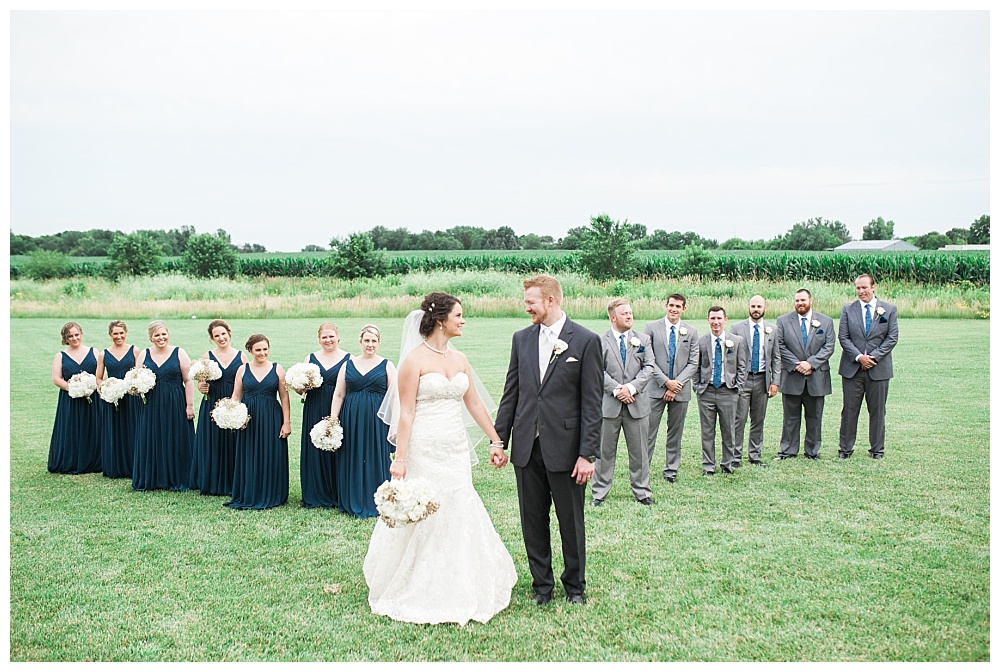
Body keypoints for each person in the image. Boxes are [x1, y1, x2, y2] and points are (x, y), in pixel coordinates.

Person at [364, 294, 517, 625]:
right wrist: (400, 459)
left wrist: (495, 438)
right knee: (429, 510)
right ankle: (419, 583)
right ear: (440, 320)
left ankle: (464, 577)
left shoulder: (460, 359)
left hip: (456, 449)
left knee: (460, 504)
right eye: (459, 315)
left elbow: (474, 403)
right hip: (425, 445)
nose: (463, 321)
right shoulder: (413, 361)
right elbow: (406, 412)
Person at [494, 274, 603, 606]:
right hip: (527, 448)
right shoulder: (521, 338)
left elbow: (592, 404)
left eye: (531, 302)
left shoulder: (585, 340)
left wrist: (588, 454)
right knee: (532, 521)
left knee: (571, 521)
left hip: (567, 450)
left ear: (551, 300)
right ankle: (542, 586)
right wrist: (499, 440)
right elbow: (511, 393)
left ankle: (575, 587)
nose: (526, 307)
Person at [592, 298, 656, 507]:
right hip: (609, 406)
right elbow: (596, 371)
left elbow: (649, 367)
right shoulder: (599, 341)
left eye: (630, 313)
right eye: (624, 313)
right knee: (604, 452)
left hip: (637, 405)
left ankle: (642, 491)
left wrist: (631, 388)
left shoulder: (643, 340)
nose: (630, 316)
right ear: (613, 317)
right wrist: (618, 390)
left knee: (640, 452)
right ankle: (599, 492)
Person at [330, 325, 396, 518]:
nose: (370, 344)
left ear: (379, 343)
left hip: (377, 419)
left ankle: (378, 499)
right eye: (366, 340)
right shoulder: (348, 364)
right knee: (352, 454)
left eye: (374, 341)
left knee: (376, 455)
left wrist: (394, 423)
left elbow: (395, 398)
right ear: (360, 342)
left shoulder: (387, 365)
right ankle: (352, 497)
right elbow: (339, 394)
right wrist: (333, 419)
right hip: (351, 417)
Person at [225, 334, 291, 510]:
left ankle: (272, 492)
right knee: (249, 453)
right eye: (258, 350)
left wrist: (286, 423)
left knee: (271, 453)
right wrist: (232, 414)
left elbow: (284, 398)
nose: (262, 353)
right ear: (250, 350)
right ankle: (250, 490)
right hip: (248, 419)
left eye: (265, 349)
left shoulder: (277, 369)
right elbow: (236, 395)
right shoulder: (242, 369)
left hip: (271, 416)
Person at [837, 274, 899, 460]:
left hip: (878, 370)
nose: (861, 291)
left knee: (878, 411)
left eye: (864, 287)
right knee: (849, 410)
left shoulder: (888, 310)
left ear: (873, 287)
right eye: (858, 288)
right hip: (852, 369)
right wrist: (859, 357)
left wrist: (873, 357)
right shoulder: (848, 309)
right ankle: (845, 449)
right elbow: (844, 337)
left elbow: (892, 338)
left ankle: (877, 450)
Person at [132, 321, 195, 491]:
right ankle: (154, 478)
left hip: (175, 402)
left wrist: (189, 405)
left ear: (168, 334)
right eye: (157, 335)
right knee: (152, 436)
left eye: (163, 334)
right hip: (151, 403)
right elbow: (135, 378)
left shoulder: (179, 352)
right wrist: (136, 388)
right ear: (151, 337)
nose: (161, 338)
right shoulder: (144, 354)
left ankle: (178, 477)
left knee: (175, 436)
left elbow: (188, 381)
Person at [774, 289, 836, 461]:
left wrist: (811, 363)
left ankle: (812, 451)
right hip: (792, 376)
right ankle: (787, 450)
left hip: (816, 377)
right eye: (797, 300)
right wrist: (798, 365)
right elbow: (780, 346)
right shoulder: (783, 321)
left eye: (803, 300)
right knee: (790, 418)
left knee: (815, 417)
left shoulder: (825, 321)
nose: (800, 303)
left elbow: (829, 346)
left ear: (810, 300)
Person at [644, 293, 699, 483]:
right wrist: (666, 382)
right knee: (648, 432)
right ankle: (644, 470)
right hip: (655, 389)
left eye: (678, 306)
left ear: (684, 309)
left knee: (675, 433)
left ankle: (671, 470)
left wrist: (676, 385)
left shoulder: (691, 332)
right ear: (665, 305)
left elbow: (693, 363)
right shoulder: (651, 328)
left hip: (680, 391)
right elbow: (648, 360)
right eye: (671, 305)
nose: (674, 309)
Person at [190, 319, 244, 496]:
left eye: (223, 334)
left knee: (233, 442)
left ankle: (232, 481)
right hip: (212, 402)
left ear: (229, 333)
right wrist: (201, 386)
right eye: (216, 336)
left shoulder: (241, 356)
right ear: (212, 339)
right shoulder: (207, 356)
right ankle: (212, 481)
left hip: (233, 403)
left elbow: (245, 379)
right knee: (212, 441)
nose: (221, 338)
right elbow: (201, 380)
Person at [693, 307, 749, 475]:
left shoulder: (737, 341)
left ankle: (728, 464)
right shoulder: (702, 341)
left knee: (729, 429)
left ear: (726, 320)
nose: (716, 322)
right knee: (707, 430)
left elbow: (742, 367)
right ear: (708, 320)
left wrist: (737, 387)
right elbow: (695, 367)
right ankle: (708, 466)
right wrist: (697, 386)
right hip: (707, 391)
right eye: (712, 318)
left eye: (719, 318)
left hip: (728, 391)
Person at [300, 322, 350, 508]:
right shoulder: (310, 358)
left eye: (331, 336)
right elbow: (300, 390)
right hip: (314, 405)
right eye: (324, 337)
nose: (328, 340)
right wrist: (302, 385)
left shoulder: (349, 358)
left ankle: (338, 492)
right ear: (319, 339)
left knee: (338, 447)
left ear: (338, 337)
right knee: (315, 448)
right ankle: (315, 493)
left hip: (340, 408)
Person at [730, 296, 781, 467]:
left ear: (765, 308)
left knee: (758, 419)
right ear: (749, 307)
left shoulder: (772, 329)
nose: (756, 309)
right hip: (743, 380)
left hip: (762, 379)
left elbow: (776, 358)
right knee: (740, 419)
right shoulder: (737, 328)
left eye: (759, 306)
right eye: (753, 306)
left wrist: (775, 382)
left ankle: (755, 455)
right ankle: (735, 456)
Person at [48, 321, 102, 474]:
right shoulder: (60, 356)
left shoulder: (93, 352)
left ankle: (94, 461)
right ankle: (72, 460)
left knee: (93, 427)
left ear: (81, 335)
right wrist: (74, 388)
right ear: (65, 338)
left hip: (92, 399)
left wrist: (90, 387)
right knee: (71, 428)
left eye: (76, 335)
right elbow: (56, 378)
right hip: (70, 399)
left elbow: (100, 375)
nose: (74, 338)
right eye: (70, 336)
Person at [95, 320, 141, 478]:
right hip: (112, 399)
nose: (119, 336)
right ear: (110, 335)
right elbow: (99, 378)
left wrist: (134, 387)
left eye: (121, 333)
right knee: (113, 431)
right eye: (115, 333)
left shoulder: (135, 350)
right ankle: (115, 466)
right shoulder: (104, 354)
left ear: (126, 333)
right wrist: (106, 387)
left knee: (132, 429)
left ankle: (132, 466)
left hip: (131, 397)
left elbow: (139, 373)